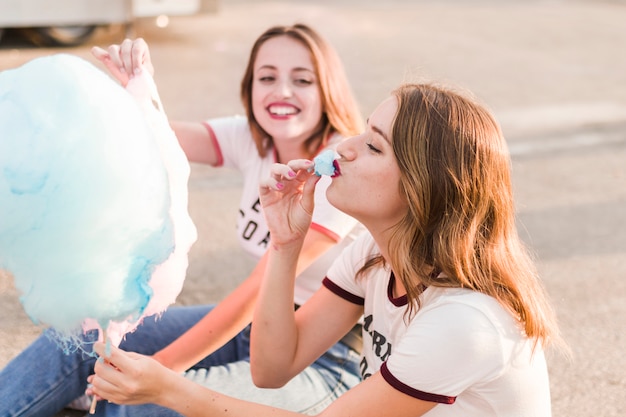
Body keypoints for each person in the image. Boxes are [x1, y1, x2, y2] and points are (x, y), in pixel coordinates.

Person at [87, 82, 565, 417]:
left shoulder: (466, 320)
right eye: (362, 132)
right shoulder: (372, 257)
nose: (345, 149)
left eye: (375, 147)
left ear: (426, 189)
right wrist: (285, 244)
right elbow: (272, 369)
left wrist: (171, 388)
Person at [0, 24, 365, 416]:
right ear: (250, 88)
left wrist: (163, 368)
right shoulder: (253, 138)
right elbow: (147, 137)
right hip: (257, 330)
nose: (282, 91)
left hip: (327, 356)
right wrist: (138, 90)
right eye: (267, 77)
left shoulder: (339, 169)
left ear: (328, 88)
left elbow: (257, 290)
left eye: (302, 79)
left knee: (136, 407)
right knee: (73, 344)